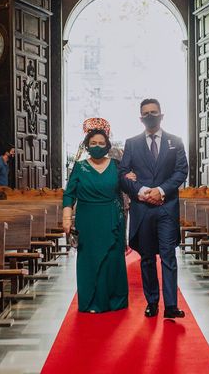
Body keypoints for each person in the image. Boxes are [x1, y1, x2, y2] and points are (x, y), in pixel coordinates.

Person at [119, 99, 188, 319]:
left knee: (168, 256)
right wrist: (142, 191)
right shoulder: (131, 143)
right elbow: (122, 175)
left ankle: (171, 305)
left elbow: (181, 171)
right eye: (146, 113)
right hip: (142, 208)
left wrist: (161, 190)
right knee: (147, 257)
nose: (150, 116)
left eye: (154, 112)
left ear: (161, 115)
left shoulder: (175, 142)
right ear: (141, 118)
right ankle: (152, 302)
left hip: (167, 207)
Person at [62, 127, 129, 313]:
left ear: (107, 145)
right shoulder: (79, 167)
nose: (97, 146)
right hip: (87, 220)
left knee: (112, 260)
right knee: (89, 260)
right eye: (93, 143)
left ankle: (115, 300)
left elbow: (128, 186)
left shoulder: (117, 165)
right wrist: (66, 218)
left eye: (101, 143)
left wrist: (133, 179)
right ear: (87, 146)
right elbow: (69, 195)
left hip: (113, 218)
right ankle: (91, 301)